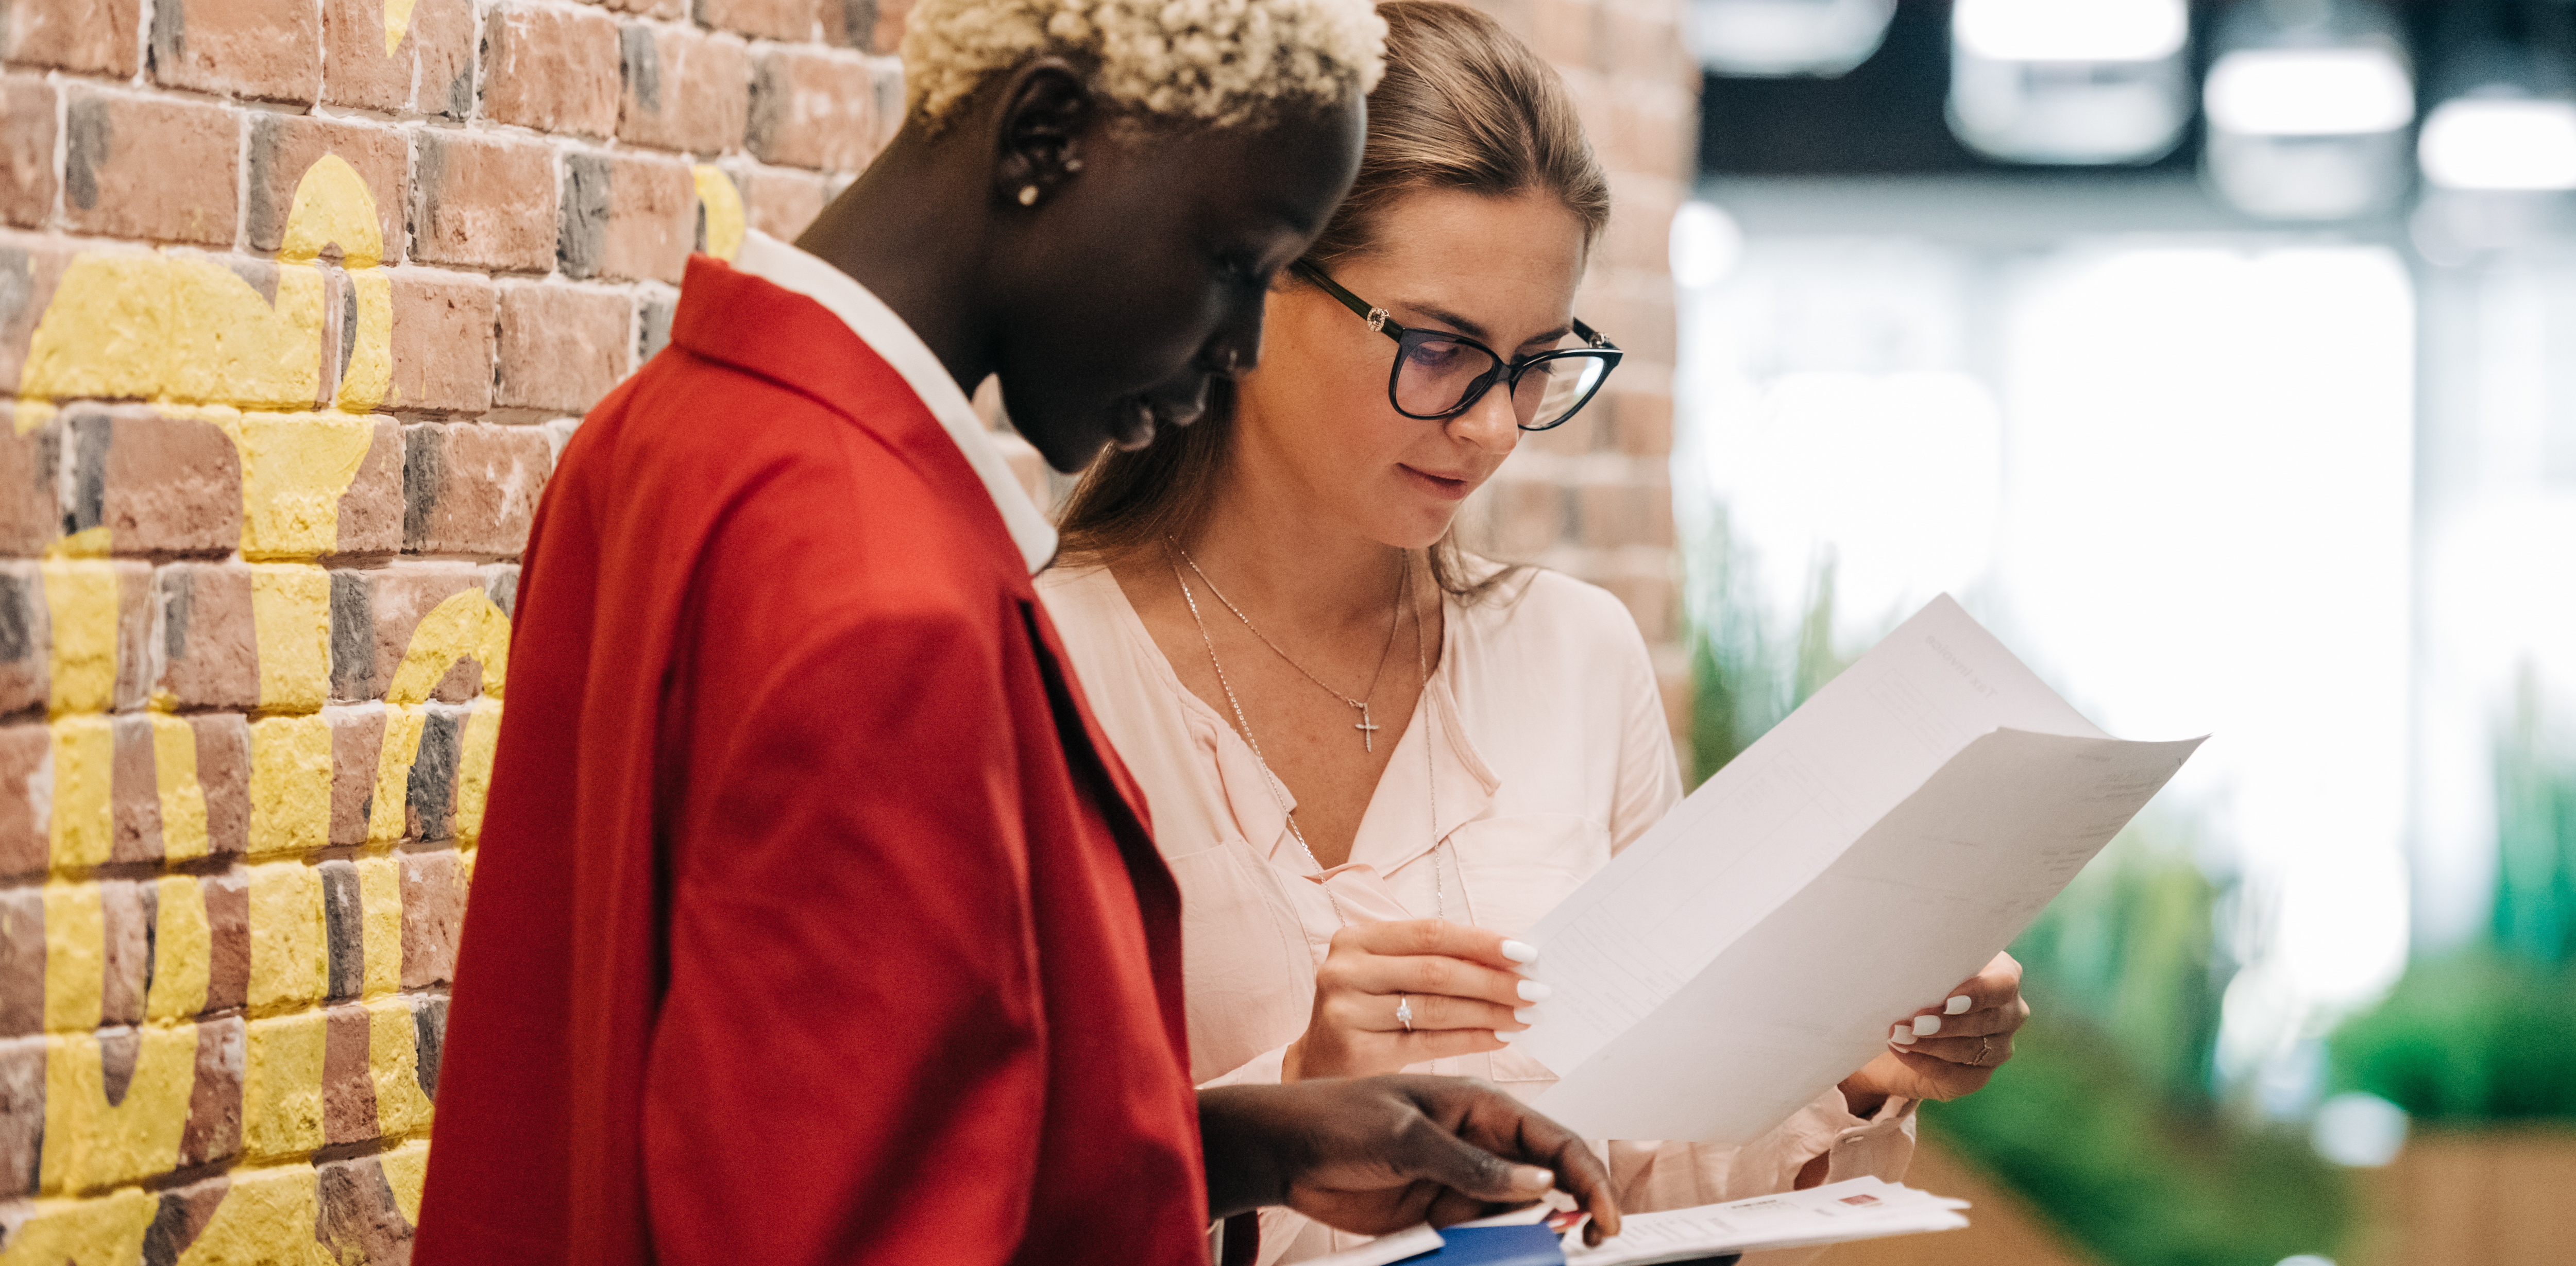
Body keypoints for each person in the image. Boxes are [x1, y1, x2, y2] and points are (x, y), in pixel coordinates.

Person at [410, 0, 1629, 1261]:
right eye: (1232, 261)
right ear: (1044, 136)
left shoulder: (663, 434)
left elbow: (793, 1113)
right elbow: (864, 1222)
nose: (1239, 343)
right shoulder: (885, 587)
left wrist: (1256, 1143)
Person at [1036, 3, 2031, 1261]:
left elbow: (1652, 1169)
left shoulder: (1575, 657)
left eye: (1537, 363)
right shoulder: (1042, 671)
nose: (1495, 427)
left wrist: (1859, 1055)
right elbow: (975, 1190)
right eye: (1442, 349)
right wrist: (1292, 1102)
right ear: (1256, 283)